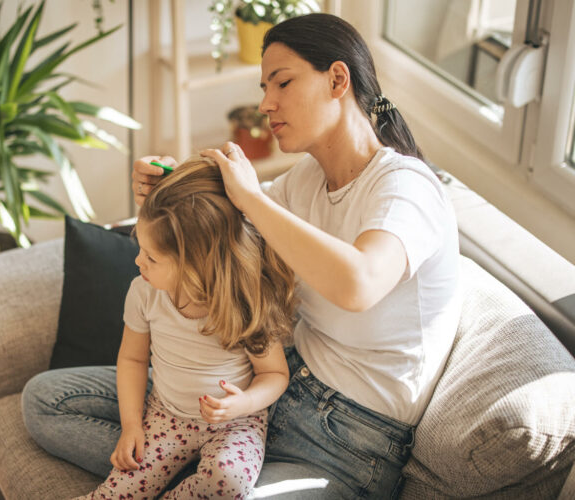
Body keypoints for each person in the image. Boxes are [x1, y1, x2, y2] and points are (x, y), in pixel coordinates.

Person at [23, 12, 460, 498]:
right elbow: (211, 224)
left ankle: (197, 476)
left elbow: (358, 284)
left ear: (338, 79)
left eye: (282, 83)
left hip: (343, 440)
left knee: (227, 485)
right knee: (46, 400)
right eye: (263, 86)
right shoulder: (305, 180)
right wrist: (163, 184)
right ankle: (180, 466)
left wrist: (252, 199)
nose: (265, 104)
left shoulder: (406, 187)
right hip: (253, 393)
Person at [74, 158, 299, 499]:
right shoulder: (144, 292)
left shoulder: (245, 300)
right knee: (119, 491)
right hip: (166, 414)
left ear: (197, 265)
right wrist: (132, 426)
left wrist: (245, 403)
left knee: (229, 481)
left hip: (235, 423)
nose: (138, 262)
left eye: (151, 257)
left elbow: (275, 375)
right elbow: (133, 360)